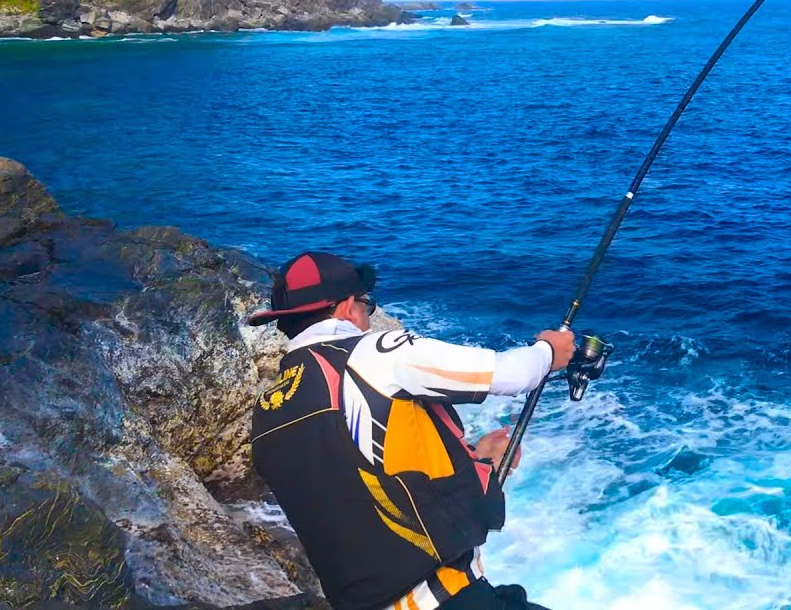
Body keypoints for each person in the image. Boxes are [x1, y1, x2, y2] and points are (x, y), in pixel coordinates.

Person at [246, 251, 575, 610]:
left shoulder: (266, 414)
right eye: (366, 306)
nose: (367, 319)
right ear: (345, 307)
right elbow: (512, 375)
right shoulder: (374, 352)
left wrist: (479, 460)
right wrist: (549, 351)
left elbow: (357, 480)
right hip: (445, 599)